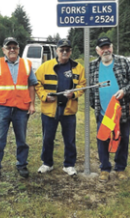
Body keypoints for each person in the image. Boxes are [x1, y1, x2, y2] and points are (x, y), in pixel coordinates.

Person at [0, 37, 37, 180]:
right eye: (9, 47)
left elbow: (31, 85)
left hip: (21, 108)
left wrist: (32, 104)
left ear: (19, 49)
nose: (12, 50)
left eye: (15, 47)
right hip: (2, 108)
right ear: (4, 50)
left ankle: (22, 165)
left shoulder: (27, 64)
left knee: (22, 139)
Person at [35, 39, 86, 176]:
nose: (64, 52)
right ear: (56, 51)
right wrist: (44, 96)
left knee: (69, 139)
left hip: (68, 110)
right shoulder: (45, 66)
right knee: (47, 138)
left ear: (70, 51)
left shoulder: (78, 67)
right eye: (61, 49)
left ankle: (69, 165)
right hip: (50, 109)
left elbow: (82, 85)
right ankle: (47, 163)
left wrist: (74, 94)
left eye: (67, 50)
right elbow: (36, 83)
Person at [89, 37, 130, 182]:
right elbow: (90, 90)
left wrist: (125, 91)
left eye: (107, 47)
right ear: (97, 50)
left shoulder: (123, 62)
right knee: (103, 139)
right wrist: (96, 106)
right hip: (103, 112)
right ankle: (104, 168)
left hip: (121, 111)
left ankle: (120, 168)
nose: (106, 50)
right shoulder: (92, 66)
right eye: (102, 48)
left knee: (122, 139)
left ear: (112, 47)